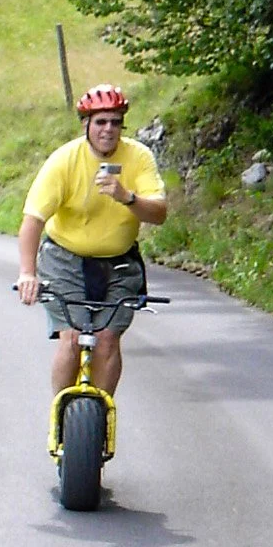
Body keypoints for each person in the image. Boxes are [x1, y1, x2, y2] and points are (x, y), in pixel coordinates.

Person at [17, 86, 168, 397]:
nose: (108, 129)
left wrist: (127, 197)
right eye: (100, 122)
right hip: (64, 259)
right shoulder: (64, 160)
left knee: (107, 340)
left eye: (115, 122)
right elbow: (33, 220)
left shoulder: (138, 157)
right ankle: (62, 412)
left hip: (120, 262)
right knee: (72, 338)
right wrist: (27, 273)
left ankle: (99, 413)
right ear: (85, 124)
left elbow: (159, 214)